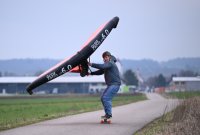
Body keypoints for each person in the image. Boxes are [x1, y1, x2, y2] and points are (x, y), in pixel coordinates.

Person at [88, 51, 121, 119]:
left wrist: (91, 64)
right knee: (103, 98)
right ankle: (107, 114)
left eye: (106, 57)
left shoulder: (110, 63)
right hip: (111, 85)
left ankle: (109, 114)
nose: (105, 58)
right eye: (104, 57)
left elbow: (102, 66)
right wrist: (91, 73)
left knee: (106, 98)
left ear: (109, 57)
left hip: (115, 85)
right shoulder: (107, 64)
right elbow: (101, 71)